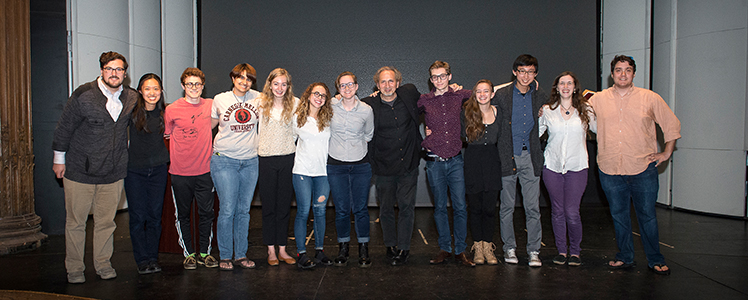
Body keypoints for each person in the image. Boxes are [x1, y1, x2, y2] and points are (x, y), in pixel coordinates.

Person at [589, 55, 680, 275]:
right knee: (619, 216)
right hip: (609, 168)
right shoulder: (597, 100)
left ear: (634, 73)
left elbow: (671, 123)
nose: (623, 74)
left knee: (647, 215)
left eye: (627, 70)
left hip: (643, 168)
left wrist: (667, 152)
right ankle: (625, 257)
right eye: (618, 70)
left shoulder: (649, 98)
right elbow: (572, 115)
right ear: (612, 74)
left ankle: (656, 259)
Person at [53, 51, 138, 283]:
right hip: (79, 171)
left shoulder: (131, 97)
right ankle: (75, 269)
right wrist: (58, 159)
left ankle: (103, 264)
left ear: (125, 73)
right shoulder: (83, 94)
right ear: (102, 70)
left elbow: (145, 121)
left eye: (119, 69)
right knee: (76, 223)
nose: (114, 73)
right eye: (110, 69)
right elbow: (64, 128)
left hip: (113, 173)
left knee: (106, 223)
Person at [492, 54, 548, 267]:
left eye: (530, 72)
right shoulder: (502, 94)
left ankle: (534, 250)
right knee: (507, 206)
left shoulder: (540, 95)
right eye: (522, 71)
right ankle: (509, 249)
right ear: (514, 72)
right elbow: (480, 102)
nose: (526, 76)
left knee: (532, 207)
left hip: (530, 157)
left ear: (535, 74)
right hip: (507, 156)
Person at [361, 66, 421, 266]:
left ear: (398, 83)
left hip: (408, 165)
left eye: (391, 81)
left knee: (406, 207)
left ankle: (404, 248)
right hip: (383, 167)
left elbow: (433, 100)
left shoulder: (409, 94)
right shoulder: (369, 104)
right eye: (383, 82)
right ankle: (390, 245)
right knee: (386, 208)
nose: (387, 85)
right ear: (377, 85)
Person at [418, 61, 475, 267]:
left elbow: (487, 91)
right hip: (434, 163)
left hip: (456, 161)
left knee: (460, 207)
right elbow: (401, 108)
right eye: (435, 77)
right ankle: (445, 249)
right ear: (430, 79)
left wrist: (530, 86)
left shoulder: (460, 95)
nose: (439, 80)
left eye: (442, 76)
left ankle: (460, 250)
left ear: (450, 76)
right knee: (440, 207)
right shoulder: (424, 100)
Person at [538, 72, 596, 266]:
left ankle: (575, 252)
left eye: (569, 83)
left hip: (577, 166)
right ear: (556, 87)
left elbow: (601, 129)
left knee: (572, 211)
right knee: (557, 211)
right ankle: (562, 251)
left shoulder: (586, 109)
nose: (565, 86)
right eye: (561, 83)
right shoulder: (547, 110)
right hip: (552, 166)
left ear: (575, 87)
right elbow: (535, 133)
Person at [164, 67, 218, 270]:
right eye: (189, 84)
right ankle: (189, 254)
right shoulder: (172, 109)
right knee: (183, 215)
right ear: (182, 86)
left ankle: (205, 252)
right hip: (180, 173)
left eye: (197, 84)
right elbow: (168, 136)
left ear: (203, 86)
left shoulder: (212, 105)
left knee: (207, 214)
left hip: (205, 171)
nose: (194, 88)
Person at [210, 63, 261, 270]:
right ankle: (224, 256)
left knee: (244, 211)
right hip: (225, 160)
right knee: (228, 209)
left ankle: (240, 255)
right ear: (233, 78)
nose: (244, 82)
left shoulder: (259, 98)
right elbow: (207, 127)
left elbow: (286, 102)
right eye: (240, 77)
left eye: (248, 78)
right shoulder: (220, 99)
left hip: (250, 161)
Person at [328, 71, 375, 268]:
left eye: (350, 85)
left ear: (356, 86)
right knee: (341, 210)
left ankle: (364, 249)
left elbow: (369, 134)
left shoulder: (366, 110)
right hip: (336, 165)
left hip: (360, 165)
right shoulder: (330, 106)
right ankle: (343, 249)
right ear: (338, 89)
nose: (347, 88)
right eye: (342, 85)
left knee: (361, 209)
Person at [124, 73, 170, 275]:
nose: (152, 93)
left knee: (154, 217)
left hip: (159, 170)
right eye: (147, 88)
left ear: (161, 92)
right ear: (140, 91)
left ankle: (153, 257)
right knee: (137, 217)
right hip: (135, 171)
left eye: (156, 89)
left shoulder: (165, 114)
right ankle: (141, 260)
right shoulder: (131, 113)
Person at [257, 68, 299, 266]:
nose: (280, 88)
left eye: (283, 84)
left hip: (287, 159)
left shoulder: (296, 103)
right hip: (265, 159)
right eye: (276, 84)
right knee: (269, 208)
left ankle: (282, 249)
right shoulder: (259, 103)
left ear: (288, 86)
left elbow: (299, 130)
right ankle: (271, 251)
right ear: (269, 85)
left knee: (284, 206)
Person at [292, 82, 334, 269]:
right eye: (316, 93)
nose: (319, 97)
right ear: (308, 95)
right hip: (302, 171)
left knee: (320, 211)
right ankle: (301, 253)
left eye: (323, 95)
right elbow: (288, 142)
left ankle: (319, 251)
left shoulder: (329, 119)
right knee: (302, 211)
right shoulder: (297, 118)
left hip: (323, 173)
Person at [461, 79, 501, 265]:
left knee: (489, 209)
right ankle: (478, 246)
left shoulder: (499, 112)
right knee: (475, 208)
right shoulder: (467, 113)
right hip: (473, 163)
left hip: (493, 163)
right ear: (474, 94)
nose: (483, 95)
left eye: (486, 91)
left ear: (492, 94)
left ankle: (488, 246)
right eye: (479, 91)